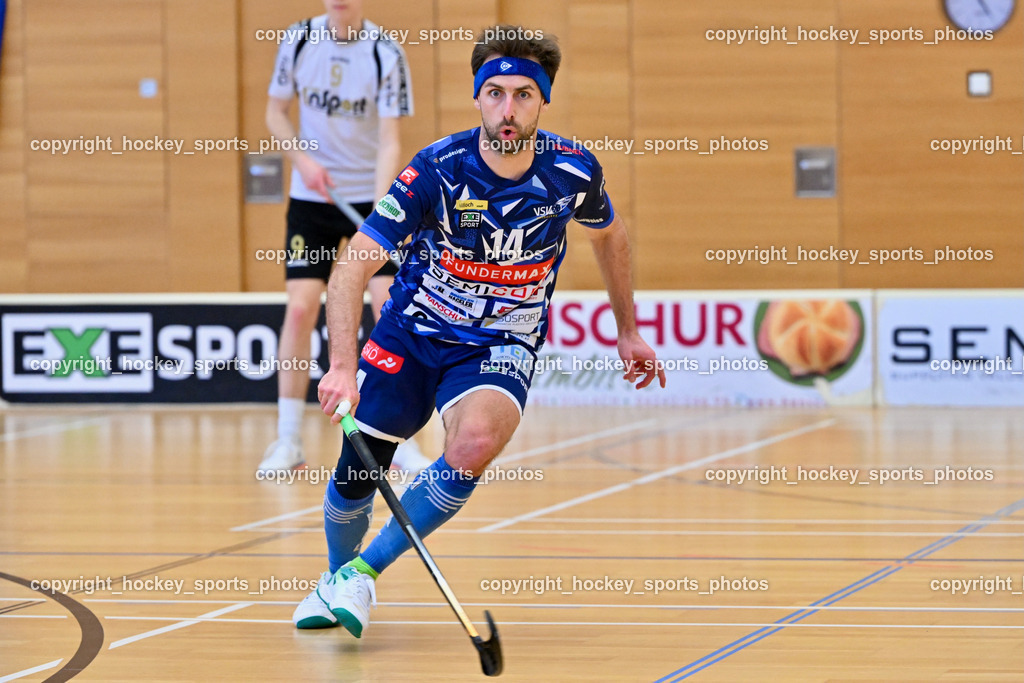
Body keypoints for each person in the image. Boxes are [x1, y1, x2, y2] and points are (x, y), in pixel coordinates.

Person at [292, 25, 666, 634]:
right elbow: (353, 266)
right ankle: (337, 579)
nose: (508, 108)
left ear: (543, 99)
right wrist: (339, 365)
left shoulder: (573, 171)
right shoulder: (436, 169)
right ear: (477, 97)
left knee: (470, 447)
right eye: (494, 93)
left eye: (523, 94)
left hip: (502, 341)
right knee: (358, 471)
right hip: (412, 332)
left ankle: (362, 573)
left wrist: (628, 330)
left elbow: (610, 234)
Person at [257, 0, 429, 475]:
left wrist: (380, 207)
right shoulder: (298, 41)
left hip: (370, 200)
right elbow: (275, 113)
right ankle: (288, 439)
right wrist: (305, 162)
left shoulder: (385, 53)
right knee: (299, 308)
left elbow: (391, 138)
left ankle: (400, 438)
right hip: (312, 199)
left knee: (389, 306)